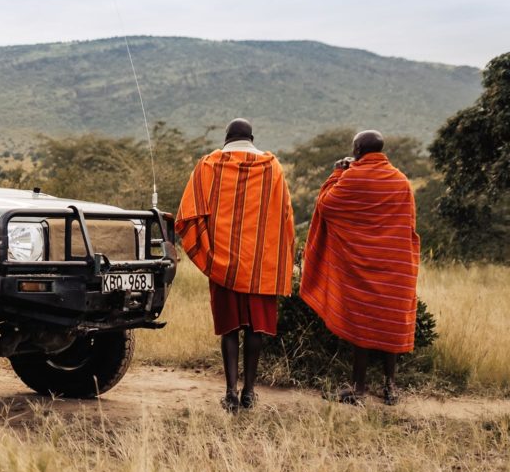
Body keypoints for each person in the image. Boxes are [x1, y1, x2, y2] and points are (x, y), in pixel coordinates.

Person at [175, 119, 296, 411]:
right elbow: (286, 217)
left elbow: (188, 214)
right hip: (261, 266)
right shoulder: (273, 168)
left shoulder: (208, 166)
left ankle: (230, 391)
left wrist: (206, 248)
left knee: (230, 329)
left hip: (223, 263)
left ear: (226, 138)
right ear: (252, 137)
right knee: (256, 329)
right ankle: (250, 391)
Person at [300, 130, 420, 406]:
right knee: (390, 325)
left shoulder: (352, 176)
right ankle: (390, 387)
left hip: (360, 267)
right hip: (395, 265)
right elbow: (409, 227)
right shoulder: (401, 181)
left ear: (357, 149)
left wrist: (337, 173)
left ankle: (359, 387)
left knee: (362, 326)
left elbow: (326, 205)